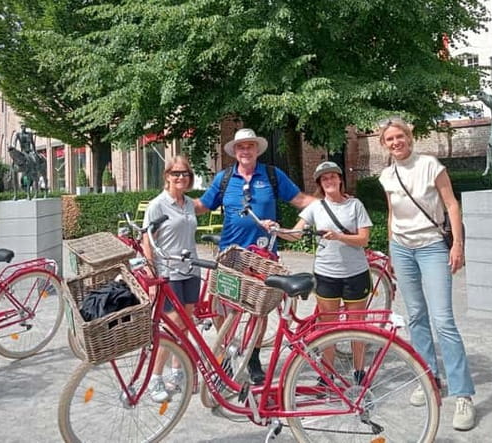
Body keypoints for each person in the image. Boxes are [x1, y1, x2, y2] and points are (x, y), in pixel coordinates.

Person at [378, 117, 476, 431]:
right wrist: (391, 249)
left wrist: (457, 244)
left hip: (432, 246)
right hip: (402, 249)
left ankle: (462, 393)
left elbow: (452, 205)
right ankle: (429, 377)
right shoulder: (386, 175)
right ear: (385, 144)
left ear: (409, 137)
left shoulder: (431, 165)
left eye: (400, 137)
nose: (396, 143)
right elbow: (392, 213)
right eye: (390, 139)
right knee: (416, 316)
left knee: (443, 319)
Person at [195, 127, 314, 384]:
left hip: (263, 256)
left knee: (259, 310)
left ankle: (253, 357)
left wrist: (333, 204)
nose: (245, 150)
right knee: (222, 308)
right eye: (241, 147)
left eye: (249, 146)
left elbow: (301, 200)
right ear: (235, 152)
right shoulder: (224, 179)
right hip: (230, 256)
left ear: (257, 150)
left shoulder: (272, 175)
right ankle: (227, 354)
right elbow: (202, 206)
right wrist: (172, 202)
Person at [277, 161, 373, 383]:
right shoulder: (316, 207)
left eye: (333, 177)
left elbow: (363, 239)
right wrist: (275, 229)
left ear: (340, 180)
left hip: (355, 273)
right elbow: (295, 234)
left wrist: (339, 236)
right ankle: (327, 374)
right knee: (327, 327)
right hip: (326, 274)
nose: (329, 181)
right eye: (324, 178)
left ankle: (359, 372)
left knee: (356, 326)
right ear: (320, 183)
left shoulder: (355, 205)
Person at [142, 155, 200, 402]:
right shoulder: (158, 205)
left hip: (191, 270)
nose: (180, 178)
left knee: (186, 323)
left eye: (185, 174)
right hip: (169, 273)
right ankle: (154, 378)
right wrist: (151, 274)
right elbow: (147, 240)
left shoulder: (188, 204)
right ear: (166, 176)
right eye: (175, 173)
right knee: (171, 327)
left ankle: (177, 372)